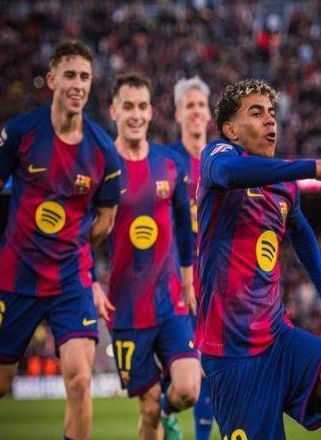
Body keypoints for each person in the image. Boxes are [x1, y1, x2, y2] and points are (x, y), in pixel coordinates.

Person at [195, 79, 321, 440]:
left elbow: (302, 233)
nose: (270, 120)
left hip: (277, 338)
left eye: (272, 113)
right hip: (231, 353)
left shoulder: (284, 186)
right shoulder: (217, 156)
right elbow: (231, 173)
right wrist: (311, 167)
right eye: (256, 113)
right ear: (231, 130)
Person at [0, 39, 121, 440]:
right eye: (70, 75)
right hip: (18, 278)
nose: (78, 84)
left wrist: (78, 250)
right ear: (53, 79)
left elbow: (106, 219)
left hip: (70, 282)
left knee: (79, 379)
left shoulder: (103, 151)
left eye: (85, 77)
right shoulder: (21, 132)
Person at [104, 73, 201, 439]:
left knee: (188, 388)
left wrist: (188, 278)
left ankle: (165, 408)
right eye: (128, 106)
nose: (136, 114)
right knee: (146, 412)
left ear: (151, 112)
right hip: (126, 309)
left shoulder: (170, 163)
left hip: (170, 300)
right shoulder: (102, 165)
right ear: (114, 111)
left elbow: (184, 224)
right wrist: (90, 282)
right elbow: (82, 232)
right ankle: (157, 414)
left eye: (142, 106)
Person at [169, 76, 214, 440]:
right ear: (178, 114)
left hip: (215, 280)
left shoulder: (222, 160)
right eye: (190, 105)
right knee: (190, 374)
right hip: (175, 281)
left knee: (212, 368)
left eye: (201, 105)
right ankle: (161, 412)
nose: (197, 111)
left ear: (210, 114)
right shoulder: (167, 162)